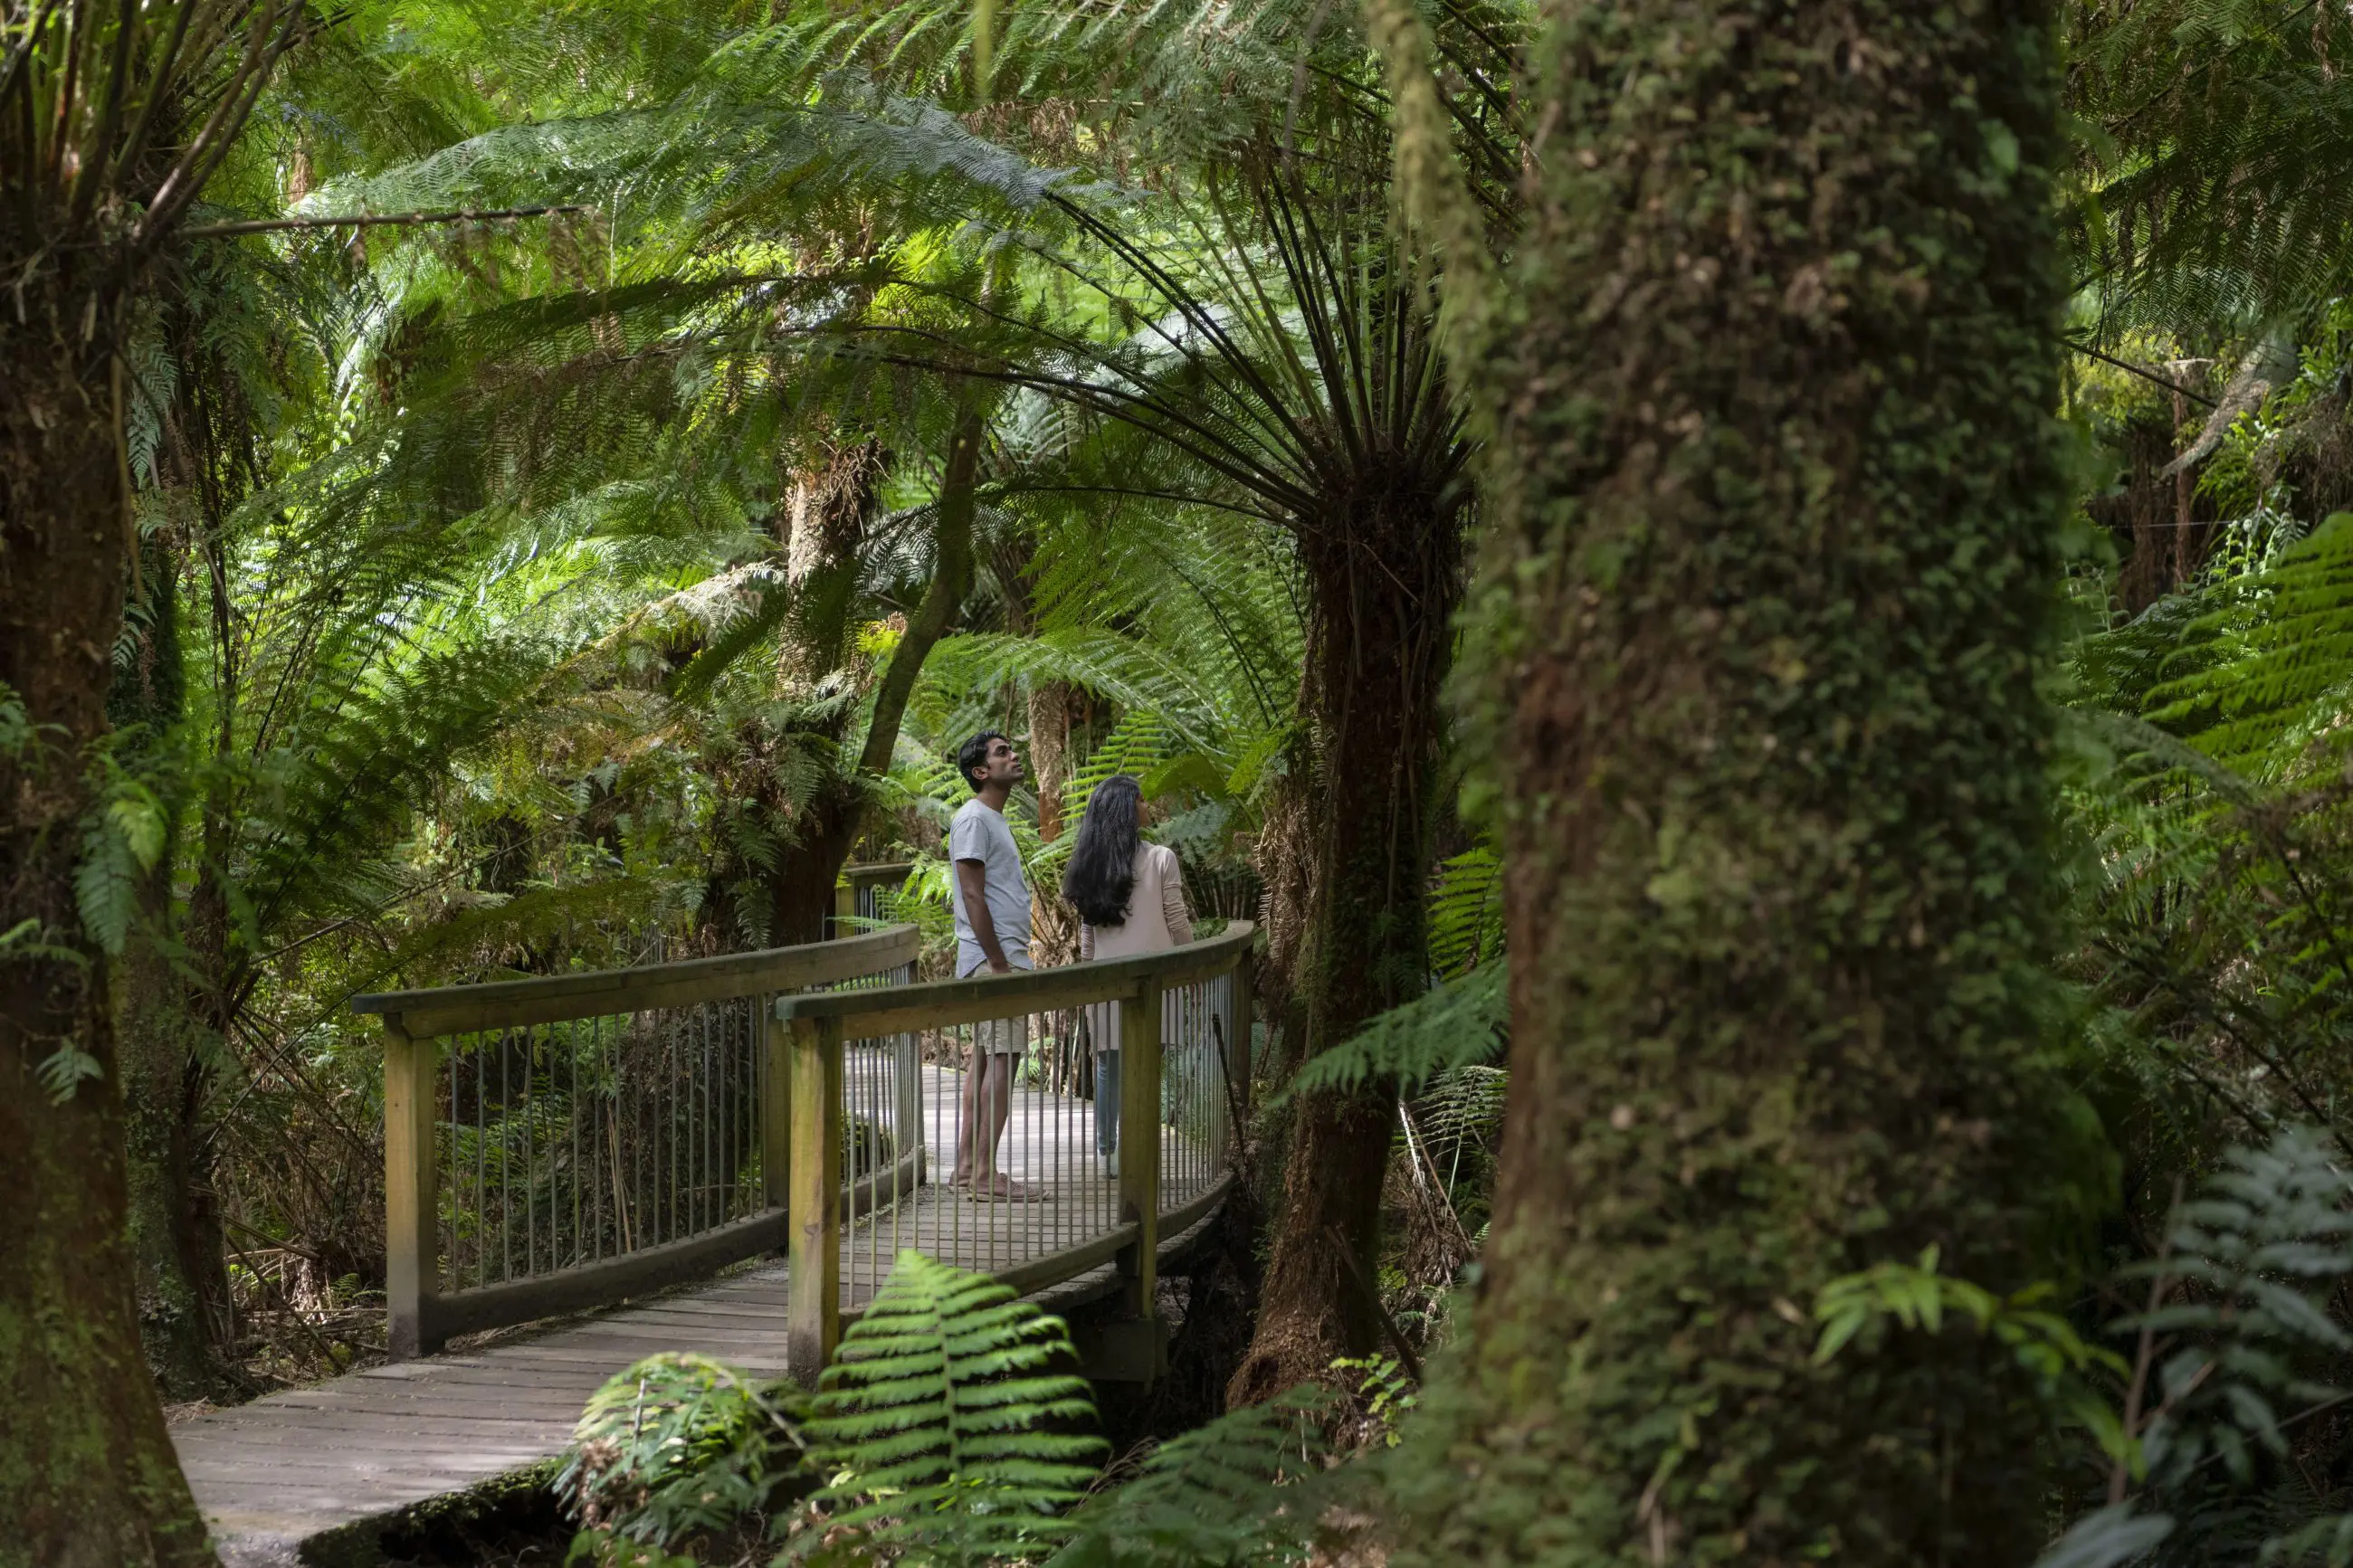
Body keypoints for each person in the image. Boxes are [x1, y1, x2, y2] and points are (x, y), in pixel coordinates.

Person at [1062, 774, 1192, 1173]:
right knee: (1147, 1064)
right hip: (1157, 979)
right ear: (1128, 807)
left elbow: (1087, 935)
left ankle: (1108, 1152)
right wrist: (1192, 963)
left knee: (1108, 1065)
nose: (1147, 805)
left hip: (1107, 979)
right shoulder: (1160, 858)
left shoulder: (1089, 866)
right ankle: (1140, 1147)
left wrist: (1088, 975)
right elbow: (1176, 919)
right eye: (1142, 799)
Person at [948, 729, 1044, 1202]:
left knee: (986, 1062)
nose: (1014, 755)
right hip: (995, 958)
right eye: (1002, 752)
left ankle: (968, 1168)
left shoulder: (991, 818)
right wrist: (1000, 962)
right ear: (980, 771)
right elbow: (971, 893)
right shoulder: (973, 820)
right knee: (1002, 1061)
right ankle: (986, 1175)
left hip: (996, 956)